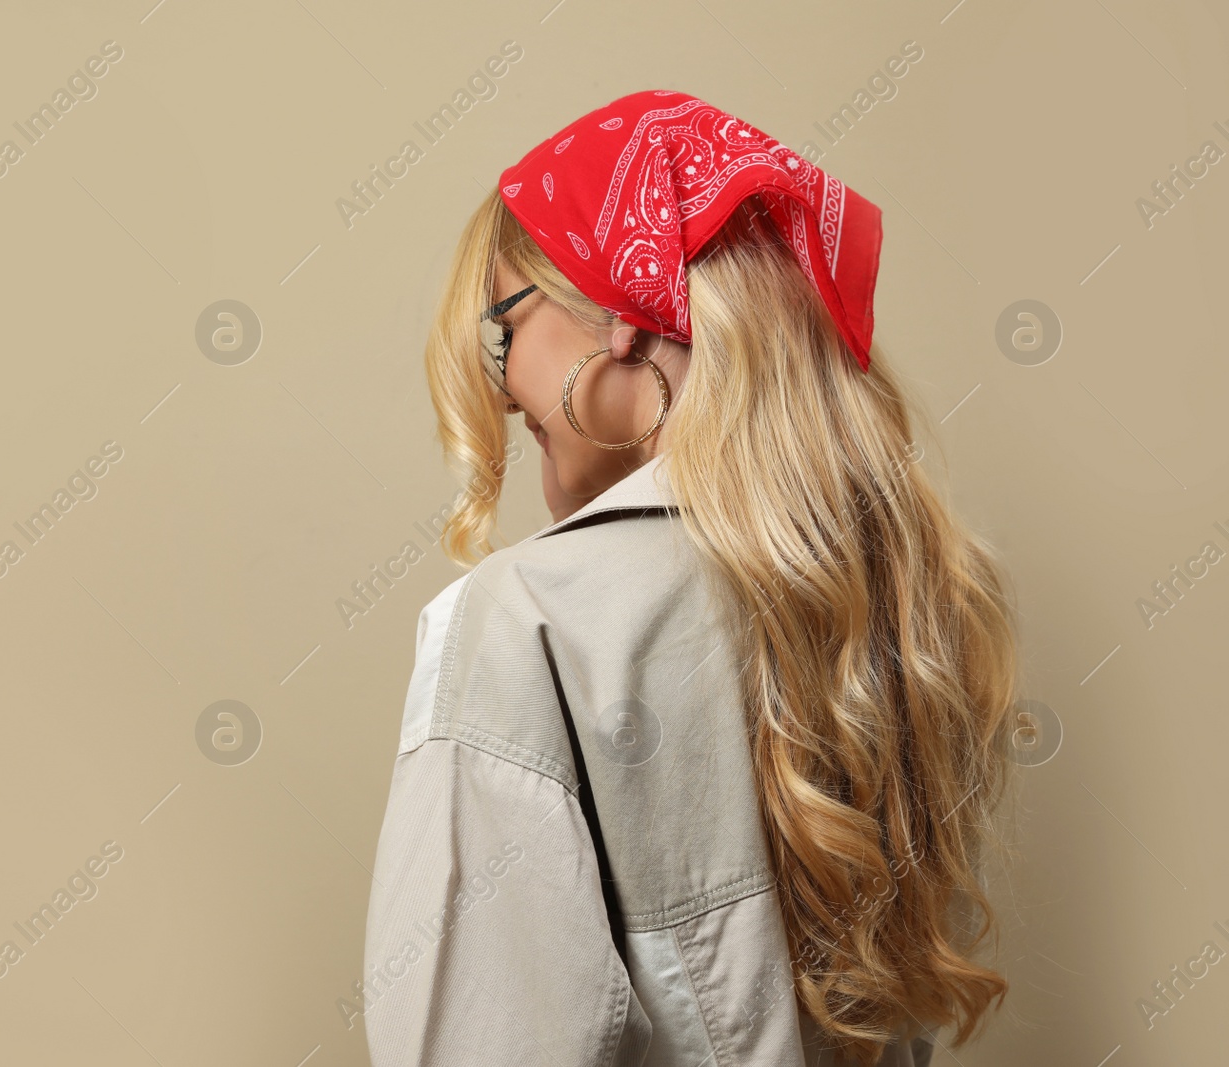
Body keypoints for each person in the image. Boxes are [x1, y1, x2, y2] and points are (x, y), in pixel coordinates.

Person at [360, 90, 1021, 1066]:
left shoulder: (525, 621)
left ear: (617, 310)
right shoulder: (903, 605)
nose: (500, 391)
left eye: (505, 325)